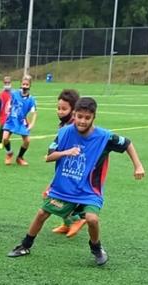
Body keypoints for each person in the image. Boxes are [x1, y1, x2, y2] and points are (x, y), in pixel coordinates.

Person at [7, 97, 145, 266]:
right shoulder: (65, 132)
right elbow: (49, 156)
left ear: (94, 117)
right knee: (42, 213)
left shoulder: (104, 137)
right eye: (79, 116)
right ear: (74, 114)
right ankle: (25, 245)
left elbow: (128, 143)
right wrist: (66, 152)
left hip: (89, 190)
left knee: (92, 219)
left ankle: (96, 248)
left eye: (87, 118)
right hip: (63, 187)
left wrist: (138, 166)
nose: (82, 121)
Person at [46, 89, 88, 237]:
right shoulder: (64, 126)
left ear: (74, 110)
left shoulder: (74, 127)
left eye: (64, 109)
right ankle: (67, 223)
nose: (60, 112)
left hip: (73, 170)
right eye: (58, 108)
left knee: (49, 196)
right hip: (64, 168)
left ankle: (77, 220)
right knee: (55, 196)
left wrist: (54, 151)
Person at [1, 75, 37, 166]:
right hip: (11, 120)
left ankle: (20, 157)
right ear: (20, 84)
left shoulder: (31, 100)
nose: (25, 86)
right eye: (23, 84)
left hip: (21, 121)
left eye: (27, 84)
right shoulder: (14, 94)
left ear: (30, 86)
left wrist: (32, 124)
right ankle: (9, 153)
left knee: (27, 141)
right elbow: (8, 102)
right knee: (5, 138)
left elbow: (34, 113)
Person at [0, 75, 12, 149]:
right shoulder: (1, 94)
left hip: (11, 114)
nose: (7, 84)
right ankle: (0, 142)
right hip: (3, 114)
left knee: (9, 129)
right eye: (6, 83)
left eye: (8, 83)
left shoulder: (13, 93)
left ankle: (6, 141)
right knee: (2, 128)